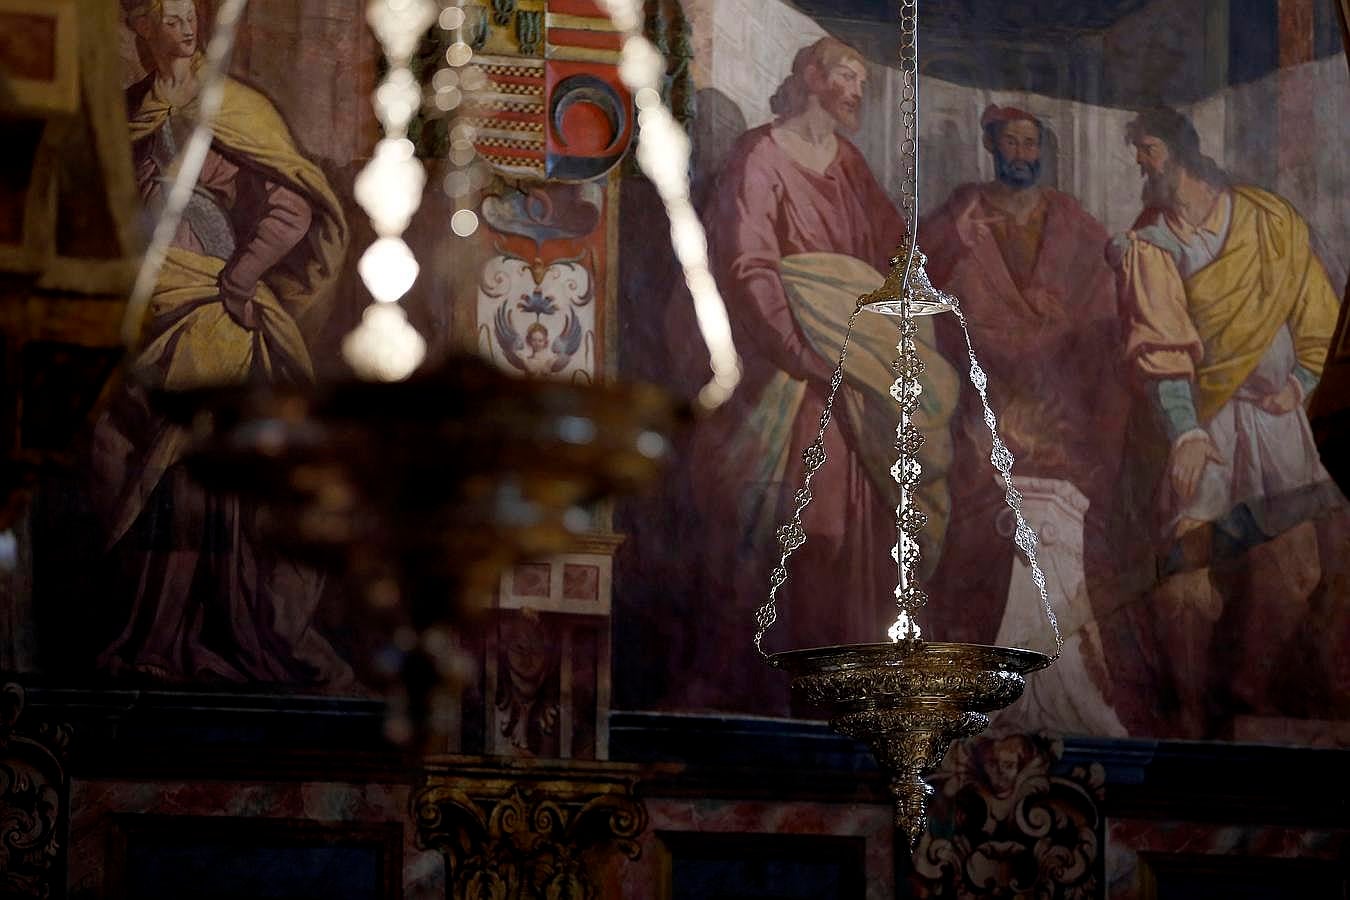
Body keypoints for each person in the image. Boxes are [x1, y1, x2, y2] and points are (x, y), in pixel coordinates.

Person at [667, 36, 957, 709]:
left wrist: (903, 310)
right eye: (846, 75)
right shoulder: (761, 157)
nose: (857, 91)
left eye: (861, 78)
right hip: (793, 379)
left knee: (872, 533)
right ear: (810, 77)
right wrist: (808, 356)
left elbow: (893, 253)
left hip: (857, 372)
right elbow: (750, 269)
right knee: (809, 530)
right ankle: (778, 693)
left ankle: (858, 693)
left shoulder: (848, 163)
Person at [90, 0, 353, 687]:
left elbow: (295, 205)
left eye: (190, 14)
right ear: (139, 28)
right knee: (123, 453)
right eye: (168, 16)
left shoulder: (231, 104)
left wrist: (240, 279)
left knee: (192, 476)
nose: (184, 27)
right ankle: (147, 639)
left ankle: (194, 638)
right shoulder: (126, 113)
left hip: (211, 308)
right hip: (142, 307)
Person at [1106, 107, 1344, 734]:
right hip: (1199, 425)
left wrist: (1302, 383)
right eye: (1138, 151)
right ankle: (1188, 715)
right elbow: (1161, 347)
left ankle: (1247, 692)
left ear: (1181, 151)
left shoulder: (1269, 219)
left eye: (1148, 149)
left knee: (1298, 570)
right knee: (1189, 568)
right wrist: (1185, 431)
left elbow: (1318, 311)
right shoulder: (1149, 241)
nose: (1140, 162)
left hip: (1277, 425)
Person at [919, 105, 1126, 647]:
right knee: (973, 507)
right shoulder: (965, 208)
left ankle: (1064, 650)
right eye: (1010, 142)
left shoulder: (1067, 217)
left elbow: (1105, 294)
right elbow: (914, 267)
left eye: (1030, 144)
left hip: (1056, 400)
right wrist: (956, 239)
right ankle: (968, 645)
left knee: (1073, 511)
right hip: (981, 394)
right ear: (992, 147)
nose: (1021, 153)